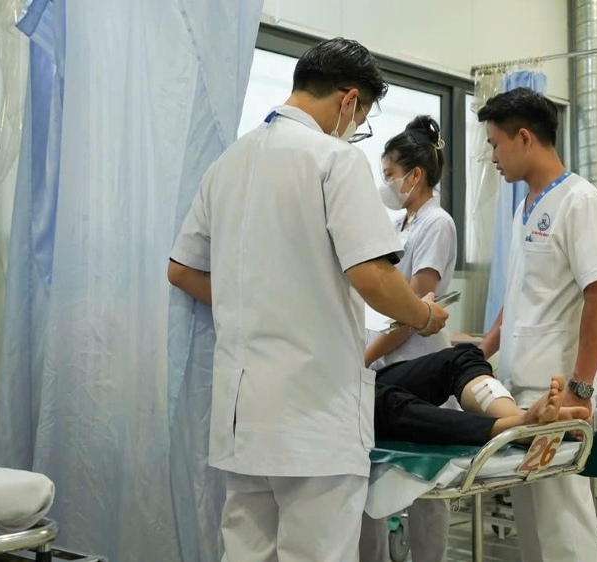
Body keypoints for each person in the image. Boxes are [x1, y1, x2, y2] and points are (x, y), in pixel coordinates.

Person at [167, 38, 448, 562]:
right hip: (314, 416)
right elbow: (373, 276)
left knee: (246, 553)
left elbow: (181, 270)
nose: (355, 129)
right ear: (349, 100)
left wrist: (252, 292)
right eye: (360, 118)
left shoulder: (227, 163)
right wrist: (425, 315)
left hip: (242, 418)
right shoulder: (335, 159)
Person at [477, 87, 597, 562]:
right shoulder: (525, 207)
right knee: (532, 522)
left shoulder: (580, 201)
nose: (493, 157)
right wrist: (479, 353)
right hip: (522, 394)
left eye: (496, 144)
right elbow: (517, 296)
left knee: (563, 523)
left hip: (559, 395)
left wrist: (581, 388)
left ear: (525, 138)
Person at [359, 115, 457, 562]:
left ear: (414, 176)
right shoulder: (400, 224)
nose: (386, 184)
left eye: (390, 175)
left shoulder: (437, 223)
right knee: (378, 477)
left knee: (424, 487)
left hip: (418, 362)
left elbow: (414, 309)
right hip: (389, 364)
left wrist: (367, 355)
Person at [372, 344, 590, 445]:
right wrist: (424, 313)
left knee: (462, 357)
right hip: (352, 389)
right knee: (381, 400)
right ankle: (514, 427)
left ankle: (517, 416)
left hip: (360, 369)